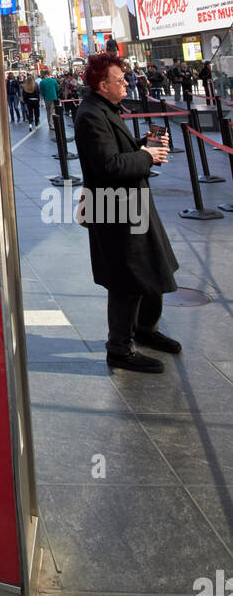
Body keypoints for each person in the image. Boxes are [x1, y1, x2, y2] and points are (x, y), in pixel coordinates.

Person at [73, 53, 180, 373]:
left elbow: (117, 152)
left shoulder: (105, 109)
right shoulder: (91, 115)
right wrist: (146, 156)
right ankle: (119, 347)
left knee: (154, 267)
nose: (126, 84)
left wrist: (142, 145)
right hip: (114, 209)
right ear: (103, 85)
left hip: (130, 204)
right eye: (120, 80)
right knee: (127, 278)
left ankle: (145, 330)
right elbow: (108, 166)